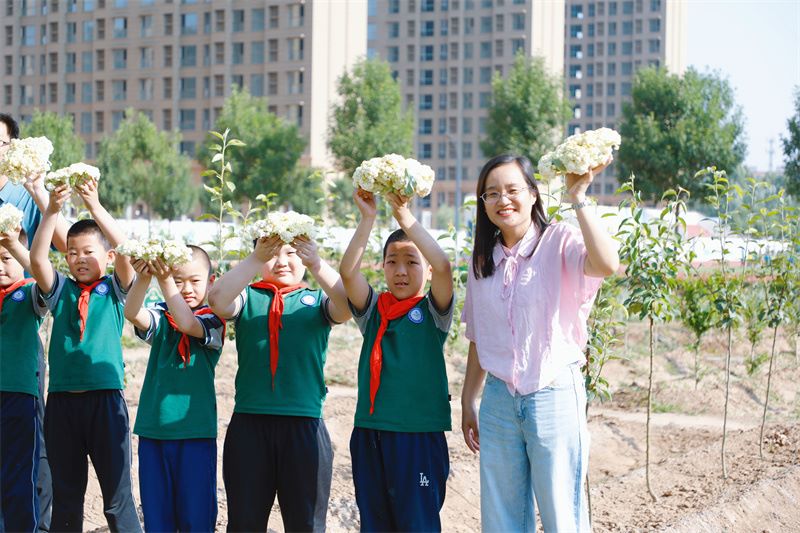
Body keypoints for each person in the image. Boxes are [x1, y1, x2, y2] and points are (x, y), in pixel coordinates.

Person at [460, 154, 619, 532]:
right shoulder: (482, 260)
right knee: (501, 519)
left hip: (553, 393)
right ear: (483, 204)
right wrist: (468, 399)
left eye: (512, 190)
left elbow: (606, 264)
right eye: (491, 193)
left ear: (533, 194)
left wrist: (578, 197)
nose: (503, 200)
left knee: (561, 514)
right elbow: (479, 336)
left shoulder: (559, 240)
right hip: (499, 401)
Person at [208, 233, 350, 532]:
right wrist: (255, 259)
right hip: (249, 426)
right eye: (272, 254)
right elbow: (217, 300)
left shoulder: (317, 301)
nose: (281, 261)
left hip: (304, 426)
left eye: (291, 252)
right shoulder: (247, 298)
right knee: (244, 523)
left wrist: (316, 263)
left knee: (306, 525)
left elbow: (348, 305)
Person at [28, 180, 142, 532]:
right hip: (62, 405)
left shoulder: (114, 289)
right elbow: (37, 259)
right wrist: (51, 210)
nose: (79, 258)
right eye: (72, 252)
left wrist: (95, 206)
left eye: (88, 251)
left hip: (105, 402)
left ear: (107, 257)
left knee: (117, 497)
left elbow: (127, 250)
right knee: (66, 496)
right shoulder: (60, 289)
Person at [339, 190, 454, 532]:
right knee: (374, 523)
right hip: (370, 433)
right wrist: (368, 219)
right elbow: (348, 273)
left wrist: (404, 215)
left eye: (412, 262)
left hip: (418, 436)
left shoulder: (433, 312)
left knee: (418, 522)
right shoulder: (374, 310)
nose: (401, 271)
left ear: (427, 270)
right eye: (392, 261)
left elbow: (444, 265)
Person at [124, 246, 225, 532]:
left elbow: (187, 323)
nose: (186, 288)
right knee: (157, 516)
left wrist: (167, 281)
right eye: (178, 280)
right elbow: (132, 312)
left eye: (195, 281)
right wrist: (144, 277)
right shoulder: (161, 315)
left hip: (195, 432)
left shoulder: (213, 320)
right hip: (154, 431)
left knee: (196, 515)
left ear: (211, 281)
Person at [1, 112, 69, 532]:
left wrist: (42, 193)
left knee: (27, 442)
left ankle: (35, 524)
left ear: (12, 147)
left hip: (20, 320)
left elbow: (65, 243)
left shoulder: (22, 193)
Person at [0, 226, 47, 532]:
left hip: (18, 397)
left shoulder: (29, 293)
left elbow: (45, 278)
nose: (0, 266)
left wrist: (18, 249)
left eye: (6, 257)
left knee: (19, 477)